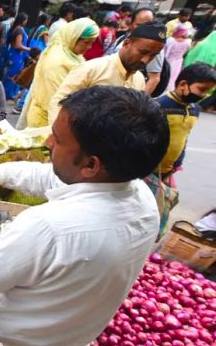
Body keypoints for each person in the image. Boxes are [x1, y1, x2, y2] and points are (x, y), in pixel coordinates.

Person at [0, 85, 169, 346]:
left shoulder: (50, 227)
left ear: (91, 165)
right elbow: (48, 175)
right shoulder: (142, 200)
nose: (47, 141)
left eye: (57, 139)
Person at [44, 21, 166, 127]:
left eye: (153, 55)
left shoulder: (139, 80)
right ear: (126, 43)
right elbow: (59, 104)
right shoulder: (92, 69)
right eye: (143, 52)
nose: (146, 60)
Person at [147, 63, 216, 236]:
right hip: (147, 168)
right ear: (183, 84)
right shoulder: (158, 106)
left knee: (163, 204)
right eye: (201, 89)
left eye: (208, 91)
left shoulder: (194, 110)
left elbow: (184, 138)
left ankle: (149, 237)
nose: (204, 95)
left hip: (168, 169)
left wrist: (177, 163)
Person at [21, 18, 99, 128]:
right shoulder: (57, 60)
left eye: (91, 43)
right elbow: (55, 101)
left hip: (60, 118)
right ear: (74, 38)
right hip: (46, 120)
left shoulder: (72, 55)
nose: (89, 47)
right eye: (86, 43)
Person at [106, 8, 166, 96]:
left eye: (148, 25)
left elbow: (154, 79)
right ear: (131, 24)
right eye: (140, 25)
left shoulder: (153, 49)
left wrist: (138, 102)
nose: (144, 29)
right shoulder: (122, 39)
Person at [0, 13, 30, 101]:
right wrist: (29, 49)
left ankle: (5, 93)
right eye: (26, 20)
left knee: (9, 74)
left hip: (12, 54)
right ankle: (7, 94)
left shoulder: (14, 29)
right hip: (16, 55)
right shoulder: (19, 30)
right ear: (23, 20)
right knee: (13, 75)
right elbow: (17, 45)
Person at [164, 24, 191, 91]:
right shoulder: (188, 42)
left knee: (165, 74)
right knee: (174, 76)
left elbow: (165, 51)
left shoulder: (170, 40)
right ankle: (170, 89)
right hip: (178, 61)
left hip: (168, 60)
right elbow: (186, 52)